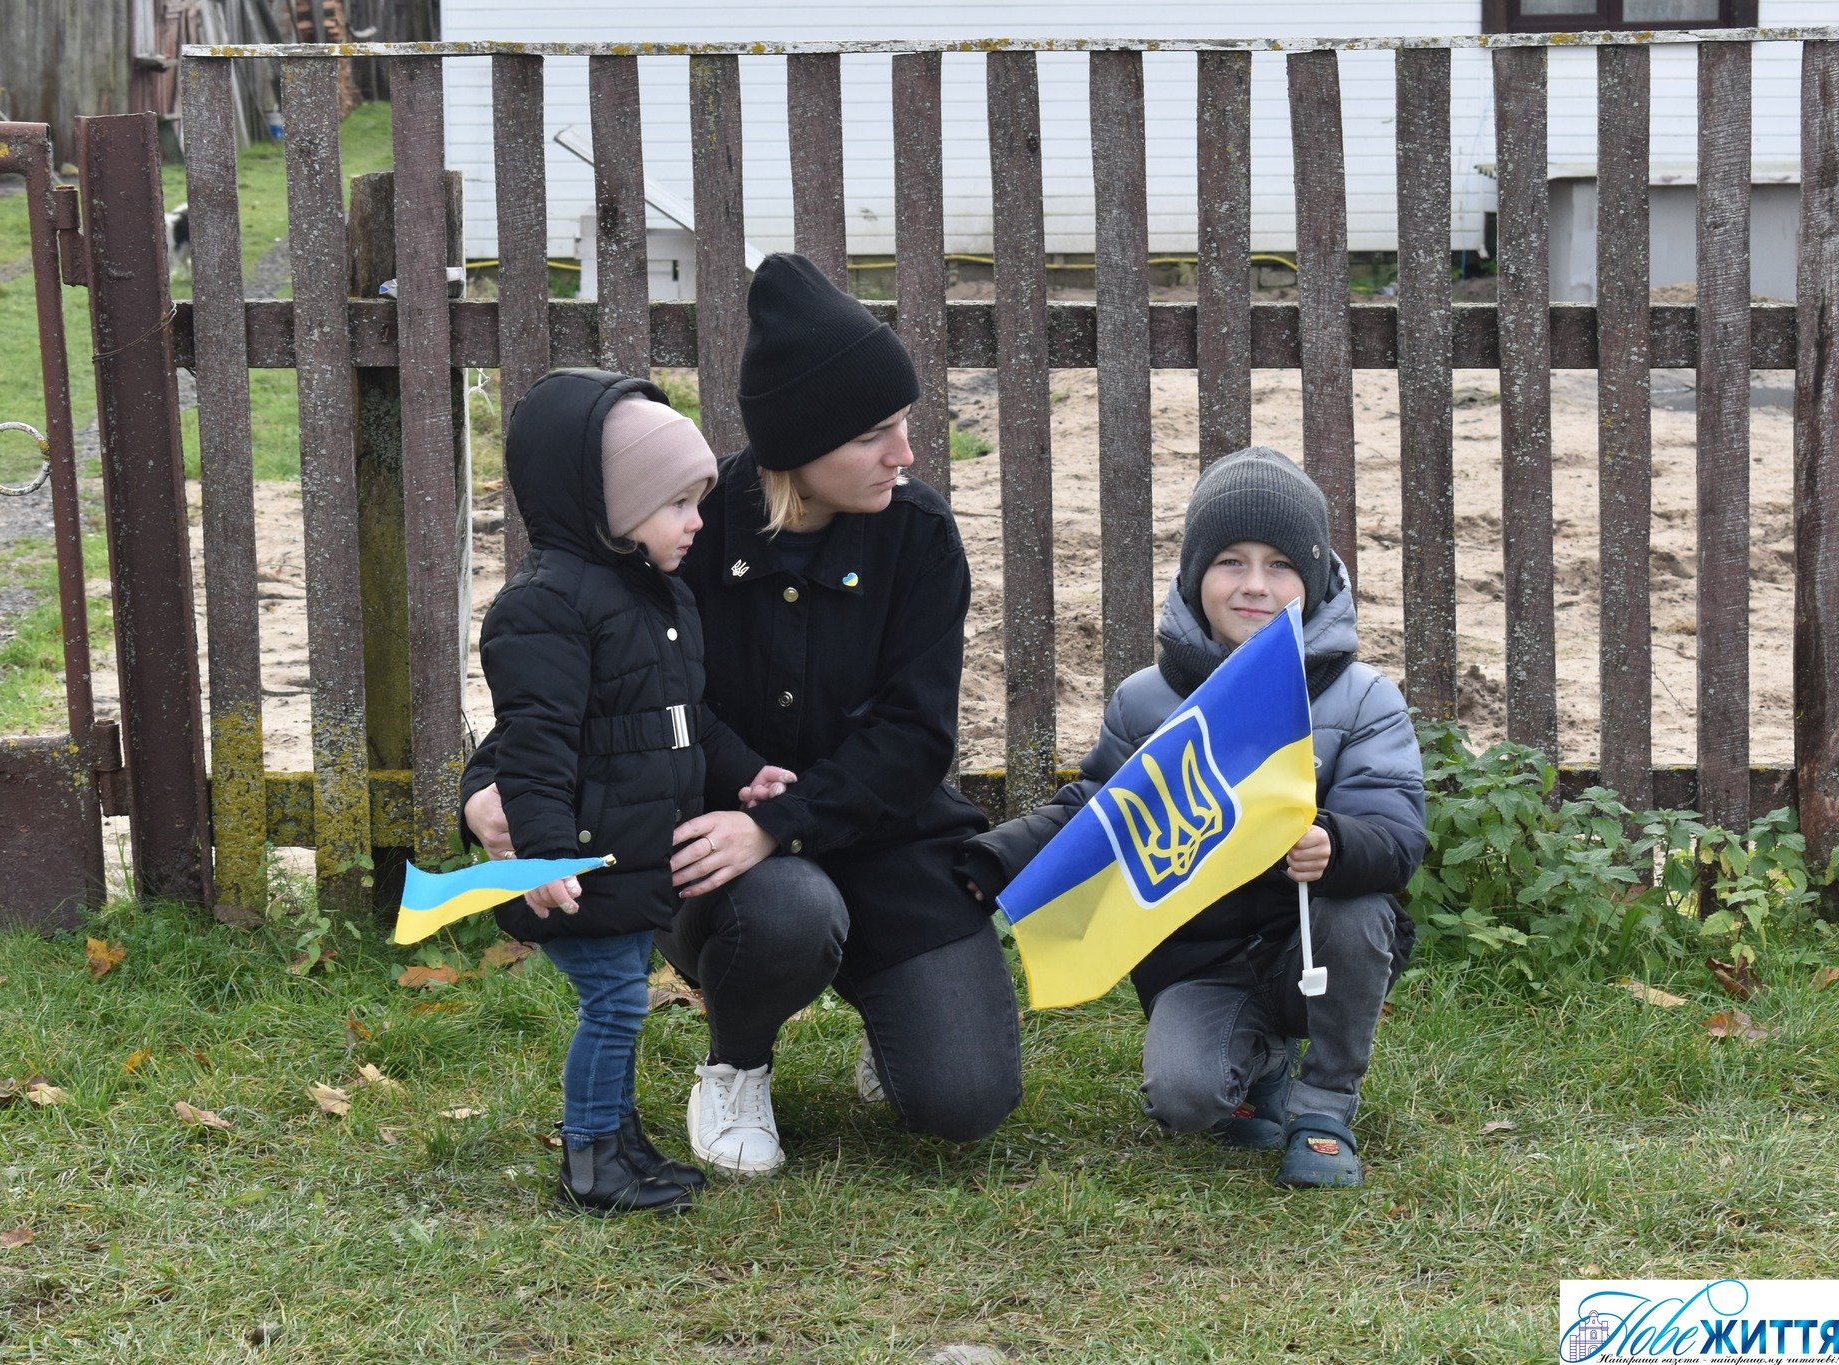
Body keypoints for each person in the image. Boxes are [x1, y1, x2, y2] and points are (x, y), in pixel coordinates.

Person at [465, 254, 1022, 1178]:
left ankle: (889, 1010)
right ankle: (737, 1064)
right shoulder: (685, 525)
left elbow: (916, 737)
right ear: (797, 444)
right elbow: (564, 671)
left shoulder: (919, 535)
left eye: (905, 424)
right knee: (790, 910)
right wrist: (484, 788)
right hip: (716, 859)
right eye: (875, 434)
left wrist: (779, 819)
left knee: (964, 1099)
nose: (906, 454)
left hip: (887, 841)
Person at [957, 447, 1425, 1188]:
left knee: (1357, 904)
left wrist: (1334, 843)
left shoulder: (1363, 697)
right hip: (1198, 958)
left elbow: (1397, 836)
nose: (1255, 585)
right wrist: (994, 860)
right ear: (1192, 575)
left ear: (1315, 579)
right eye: (1230, 562)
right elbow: (1097, 812)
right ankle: (1261, 1065)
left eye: (1280, 565)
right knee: (1183, 1099)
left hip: (1311, 943)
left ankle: (1325, 1105)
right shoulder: (1146, 700)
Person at [471, 368, 793, 1215]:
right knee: (615, 1005)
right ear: (607, 505)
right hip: (581, 862)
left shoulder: (655, 596)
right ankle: (590, 1158)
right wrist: (542, 855)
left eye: (698, 501)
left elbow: (688, 717)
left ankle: (621, 1141)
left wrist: (744, 770)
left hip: (629, 857)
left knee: (621, 1001)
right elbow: (533, 747)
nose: (697, 521)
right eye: (676, 503)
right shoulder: (544, 608)